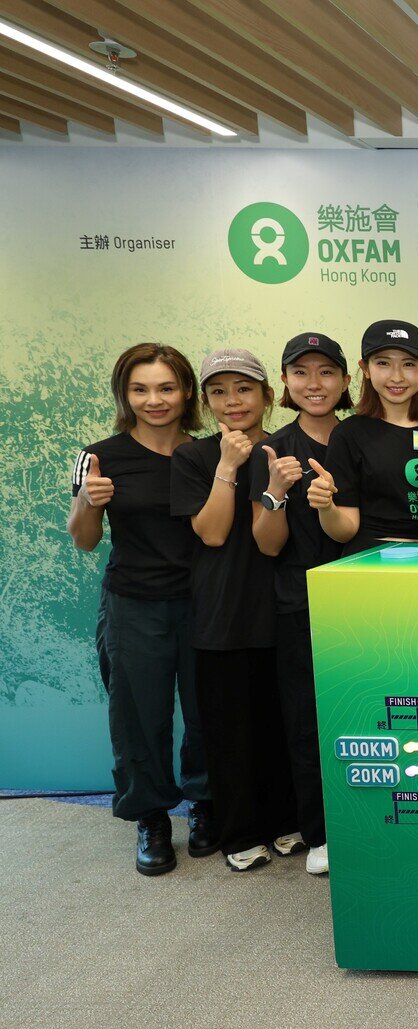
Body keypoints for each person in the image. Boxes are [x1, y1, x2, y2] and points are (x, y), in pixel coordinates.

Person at [68, 343, 212, 876]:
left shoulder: (210, 454)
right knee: (137, 718)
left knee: (207, 712)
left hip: (203, 603)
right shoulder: (98, 456)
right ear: (124, 395)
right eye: (140, 389)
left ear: (186, 391)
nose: (155, 400)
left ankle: (205, 803)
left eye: (166, 387)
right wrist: (89, 501)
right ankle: (150, 817)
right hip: (133, 604)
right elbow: (84, 539)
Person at [170, 349, 294, 872]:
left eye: (243, 389)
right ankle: (239, 831)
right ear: (205, 402)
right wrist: (227, 465)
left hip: (282, 605)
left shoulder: (287, 448)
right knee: (229, 729)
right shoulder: (193, 458)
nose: (232, 401)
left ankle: (285, 820)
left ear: (267, 394)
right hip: (222, 611)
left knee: (281, 722)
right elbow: (213, 533)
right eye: (218, 392)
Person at [249, 332, 353, 876]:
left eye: (326, 372)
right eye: (302, 373)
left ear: (346, 380)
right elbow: (267, 544)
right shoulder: (274, 449)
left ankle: (372, 823)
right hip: (300, 602)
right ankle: (320, 833)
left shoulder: (361, 438)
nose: (315, 384)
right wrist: (276, 491)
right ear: (285, 383)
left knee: (368, 711)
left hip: (367, 602)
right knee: (308, 722)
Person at [318, 320, 418, 554]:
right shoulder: (348, 434)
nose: (396, 377)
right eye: (383, 363)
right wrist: (326, 507)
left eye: (408, 364)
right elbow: (344, 531)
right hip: (373, 558)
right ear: (365, 368)